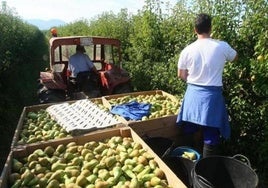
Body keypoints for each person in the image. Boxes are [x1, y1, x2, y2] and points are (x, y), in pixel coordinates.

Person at [176, 13, 238, 158]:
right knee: (211, 135)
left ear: (194, 30)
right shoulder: (222, 46)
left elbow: (181, 75)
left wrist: (195, 83)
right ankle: (206, 172)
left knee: (189, 130)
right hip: (211, 98)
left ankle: (188, 166)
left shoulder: (187, 50)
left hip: (192, 95)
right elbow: (235, 57)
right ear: (211, 28)